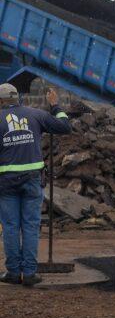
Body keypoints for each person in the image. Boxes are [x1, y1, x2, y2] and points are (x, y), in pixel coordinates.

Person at [0, 84, 72, 287]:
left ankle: (13, 273)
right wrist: (56, 106)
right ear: (18, 98)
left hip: (6, 182)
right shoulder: (36, 115)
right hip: (32, 179)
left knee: (11, 227)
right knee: (30, 226)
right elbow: (65, 126)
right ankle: (29, 274)